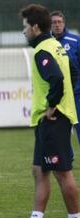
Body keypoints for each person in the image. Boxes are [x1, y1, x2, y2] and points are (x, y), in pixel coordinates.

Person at [7, 4, 80, 218]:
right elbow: (73, 72)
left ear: (35, 27)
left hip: (54, 119)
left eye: (25, 27)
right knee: (39, 170)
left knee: (62, 172)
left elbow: (57, 79)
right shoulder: (56, 46)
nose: (24, 31)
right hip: (49, 119)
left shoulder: (43, 51)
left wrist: (52, 107)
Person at [50, 10, 80, 143]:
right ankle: (68, 159)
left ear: (64, 23)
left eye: (59, 22)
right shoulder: (47, 43)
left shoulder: (75, 40)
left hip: (77, 93)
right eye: (54, 22)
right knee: (61, 130)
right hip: (59, 96)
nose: (57, 25)